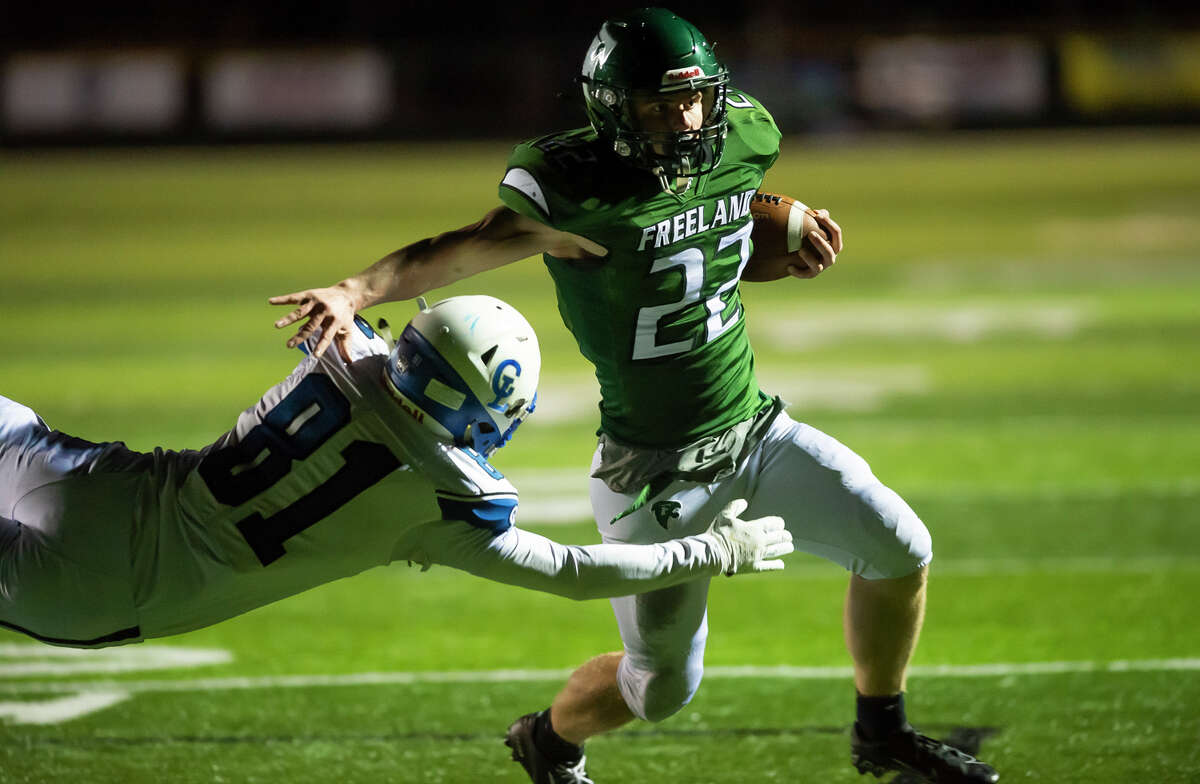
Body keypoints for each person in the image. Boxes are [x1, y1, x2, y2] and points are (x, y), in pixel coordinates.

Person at [268, 9, 999, 784]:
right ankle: (548, 740)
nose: (684, 119)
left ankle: (881, 727)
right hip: (651, 467)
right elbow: (463, 250)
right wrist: (355, 290)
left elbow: (703, 249)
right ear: (612, 108)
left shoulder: (743, 137)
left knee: (900, 546)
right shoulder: (572, 191)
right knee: (661, 688)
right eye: (658, 104)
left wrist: (776, 249)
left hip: (754, 427)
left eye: (693, 99)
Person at [0, 295, 794, 650]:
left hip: (86, 478)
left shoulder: (346, 353)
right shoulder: (443, 498)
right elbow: (576, 572)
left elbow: (358, 334)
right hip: (108, 593)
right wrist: (711, 552)